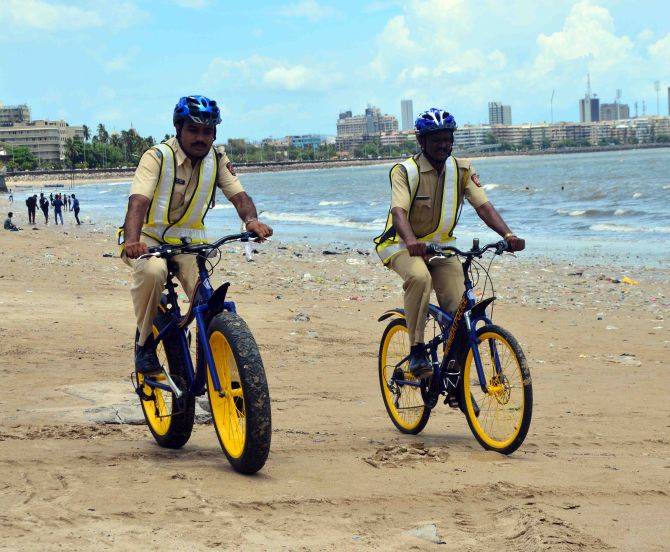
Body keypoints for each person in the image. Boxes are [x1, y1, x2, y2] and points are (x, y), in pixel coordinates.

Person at [119, 95, 273, 375]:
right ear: (179, 129)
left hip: (190, 246)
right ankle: (144, 343)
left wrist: (251, 220)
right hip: (149, 241)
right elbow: (138, 202)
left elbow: (239, 196)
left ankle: (210, 352)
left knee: (207, 298)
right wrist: (132, 241)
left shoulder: (217, 159)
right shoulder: (157, 157)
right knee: (153, 273)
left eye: (207, 131)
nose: (201, 137)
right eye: (193, 130)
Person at [374, 108, 525, 378]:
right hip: (401, 245)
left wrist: (508, 236)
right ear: (422, 141)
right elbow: (399, 212)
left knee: (459, 309)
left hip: (442, 249)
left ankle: (454, 371)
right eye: (436, 140)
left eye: (447, 139)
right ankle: (417, 349)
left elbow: (483, 206)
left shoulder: (462, 169)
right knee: (420, 279)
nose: (443, 145)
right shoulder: (404, 171)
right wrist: (411, 243)